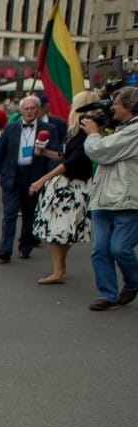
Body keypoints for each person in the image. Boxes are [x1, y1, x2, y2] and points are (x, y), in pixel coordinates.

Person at [29, 90, 97, 285]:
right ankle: (58, 268)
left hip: (73, 185)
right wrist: (45, 152)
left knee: (58, 228)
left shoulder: (88, 131)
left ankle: (58, 270)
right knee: (56, 229)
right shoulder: (75, 130)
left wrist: (42, 179)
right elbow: (64, 156)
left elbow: (73, 161)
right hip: (67, 185)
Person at [82, 85, 138, 311]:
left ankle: (134, 282)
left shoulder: (134, 131)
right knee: (100, 250)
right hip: (104, 198)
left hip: (127, 200)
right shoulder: (123, 128)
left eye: (115, 103)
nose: (111, 107)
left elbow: (101, 151)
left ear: (129, 105)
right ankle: (107, 294)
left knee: (120, 248)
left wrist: (94, 132)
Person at [0, 95, 63, 262]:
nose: (29, 111)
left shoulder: (49, 129)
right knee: (9, 215)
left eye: (33, 108)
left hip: (34, 177)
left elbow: (55, 154)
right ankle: (4, 249)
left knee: (29, 214)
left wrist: (48, 180)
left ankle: (25, 245)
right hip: (13, 175)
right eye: (26, 108)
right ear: (21, 110)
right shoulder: (11, 128)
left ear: (38, 110)